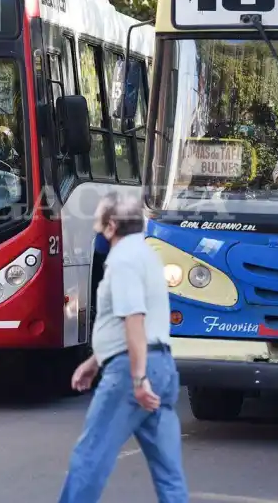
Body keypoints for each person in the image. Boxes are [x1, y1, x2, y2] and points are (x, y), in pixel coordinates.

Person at [58, 192, 187, 503]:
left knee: (90, 456)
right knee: (169, 472)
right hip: (163, 367)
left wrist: (139, 378)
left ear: (112, 226)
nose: (96, 233)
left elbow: (134, 318)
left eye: (97, 226)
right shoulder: (146, 255)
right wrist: (94, 362)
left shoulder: (123, 260)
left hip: (132, 372)